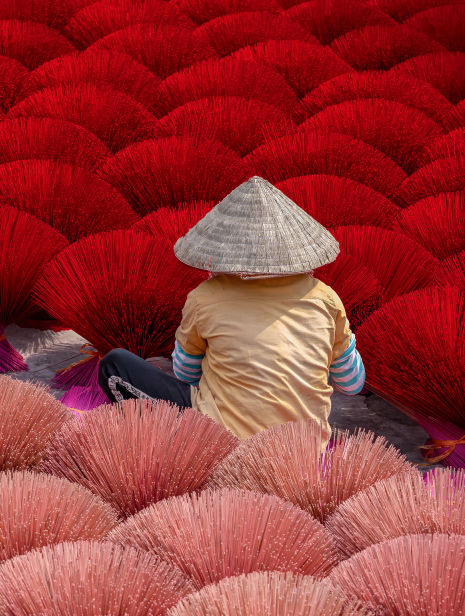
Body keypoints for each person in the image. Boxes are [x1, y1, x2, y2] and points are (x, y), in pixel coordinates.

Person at [98, 176, 365, 442]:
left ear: (224, 250)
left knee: (114, 365)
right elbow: (353, 384)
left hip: (221, 443)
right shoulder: (326, 298)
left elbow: (185, 374)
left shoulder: (204, 297)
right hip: (302, 452)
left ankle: (172, 452)